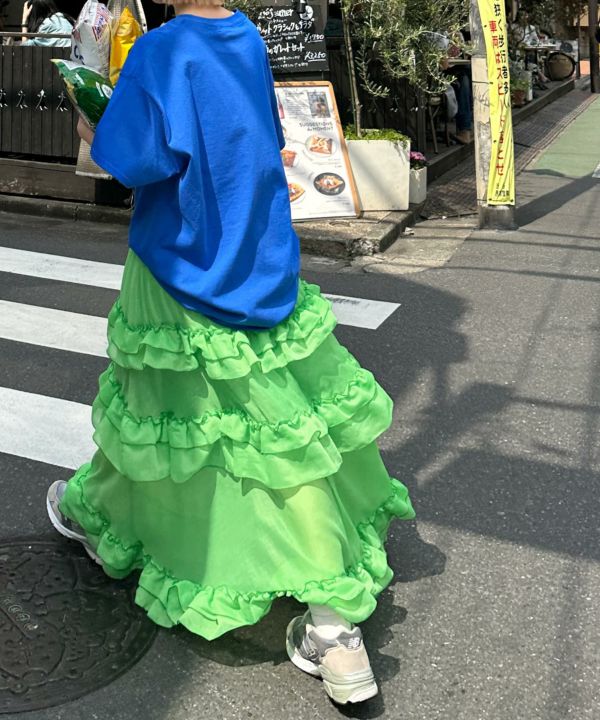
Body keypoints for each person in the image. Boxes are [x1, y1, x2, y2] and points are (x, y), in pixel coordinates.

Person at [45, 0, 415, 705]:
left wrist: (94, 102)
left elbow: (126, 162)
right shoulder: (244, 36)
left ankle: (335, 623)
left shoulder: (160, 50)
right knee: (277, 423)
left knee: (166, 417)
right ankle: (103, 513)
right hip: (257, 257)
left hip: (178, 267)